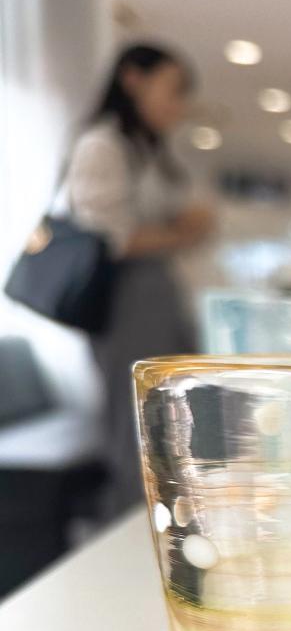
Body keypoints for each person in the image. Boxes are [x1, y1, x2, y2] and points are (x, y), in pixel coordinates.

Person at [61, 42, 214, 515]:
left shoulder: (147, 151)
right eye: (173, 90)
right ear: (133, 79)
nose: (178, 105)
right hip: (127, 303)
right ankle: (138, 530)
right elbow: (112, 236)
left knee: (170, 423)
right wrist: (181, 231)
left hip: (158, 300)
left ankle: (166, 523)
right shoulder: (102, 145)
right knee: (137, 428)